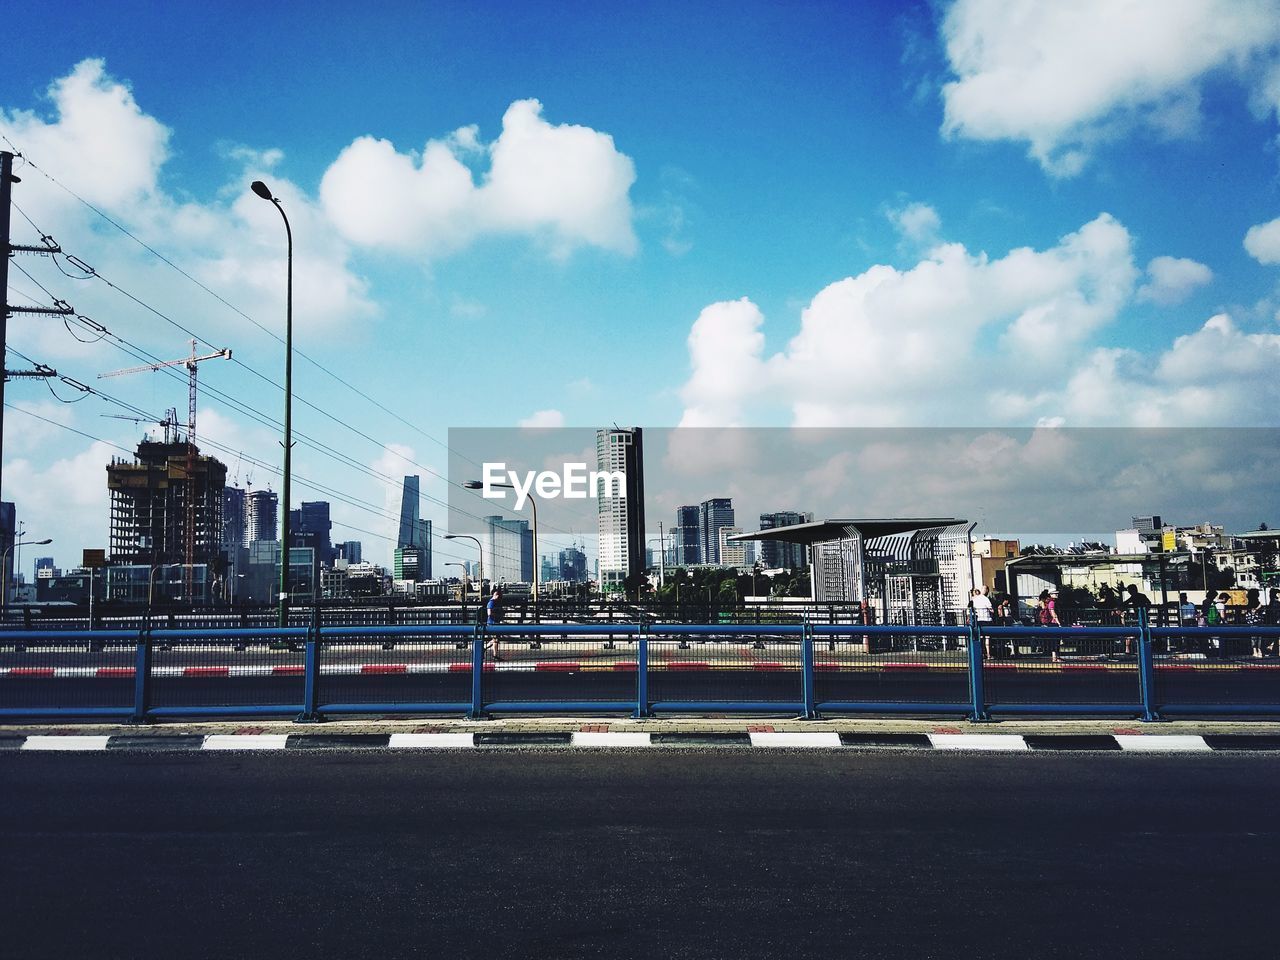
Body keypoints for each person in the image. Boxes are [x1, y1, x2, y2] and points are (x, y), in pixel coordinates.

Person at [1037, 588, 1060, 662]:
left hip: (1050, 623)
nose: (1056, 594)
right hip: (1053, 623)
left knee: (1054, 640)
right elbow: (1052, 612)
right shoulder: (1052, 602)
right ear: (1050, 595)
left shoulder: (1049, 602)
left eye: (1056, 593)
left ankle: (1055, 657)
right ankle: (1055, 657)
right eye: (1054, 593)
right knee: (1056, 641)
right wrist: (1058, 622)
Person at [971, 587, 995, 657]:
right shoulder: (986, 599)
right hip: (986, 619)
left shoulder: (975, 599)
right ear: (987, 591)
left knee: (980, 637)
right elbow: (991, 609)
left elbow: (972, 609)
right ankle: (988, 654)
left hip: (979, 620)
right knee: (987, 637)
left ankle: (981, 653)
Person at [1244, 589, 1265, 659]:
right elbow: (1259, 606)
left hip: (1252, 620)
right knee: (1259, 636)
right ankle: (1259, 650)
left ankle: (1255, 650)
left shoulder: (1250, 601)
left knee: (1254, 636)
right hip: (1257, 619)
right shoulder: (1255, 601)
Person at [486, 586, 504, 660]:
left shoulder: (495, 602)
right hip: (492, 623)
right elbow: (489, 613)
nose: (497, 596)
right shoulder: (491, 602)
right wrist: (497, 615)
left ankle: (486, 649)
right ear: (493, 595)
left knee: (495, 639)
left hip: (494, 623)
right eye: (496, 594)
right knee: (495, 639)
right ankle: (495, 654)